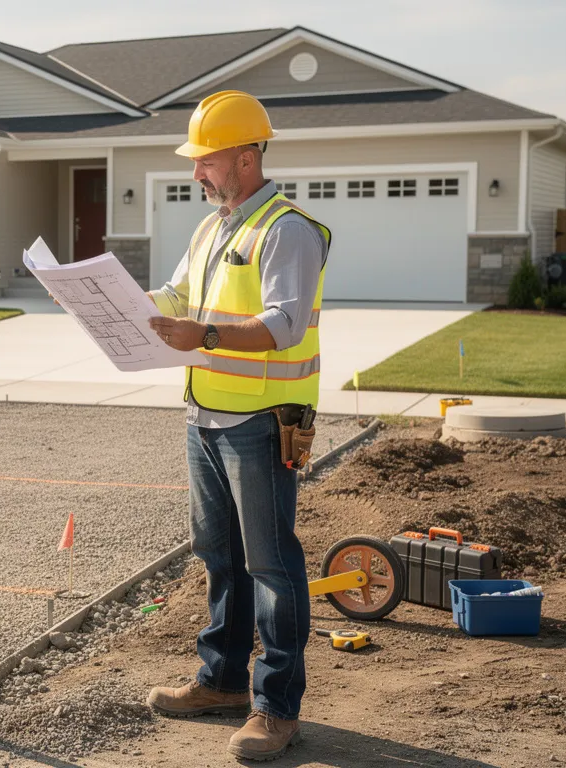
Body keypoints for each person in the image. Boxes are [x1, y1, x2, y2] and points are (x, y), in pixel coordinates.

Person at [143, 90, 330, 762]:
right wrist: (108, 299)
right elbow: (175, 299)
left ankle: (276, 709)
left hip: (261, 422)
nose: (197, 174)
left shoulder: (288, 230)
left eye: (206, 160)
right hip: (205, 417)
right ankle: (221, 681)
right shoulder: (212, 228)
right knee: (219, 558)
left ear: (246, 158)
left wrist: (207, 332)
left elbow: (281, 324)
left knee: (272, 565)